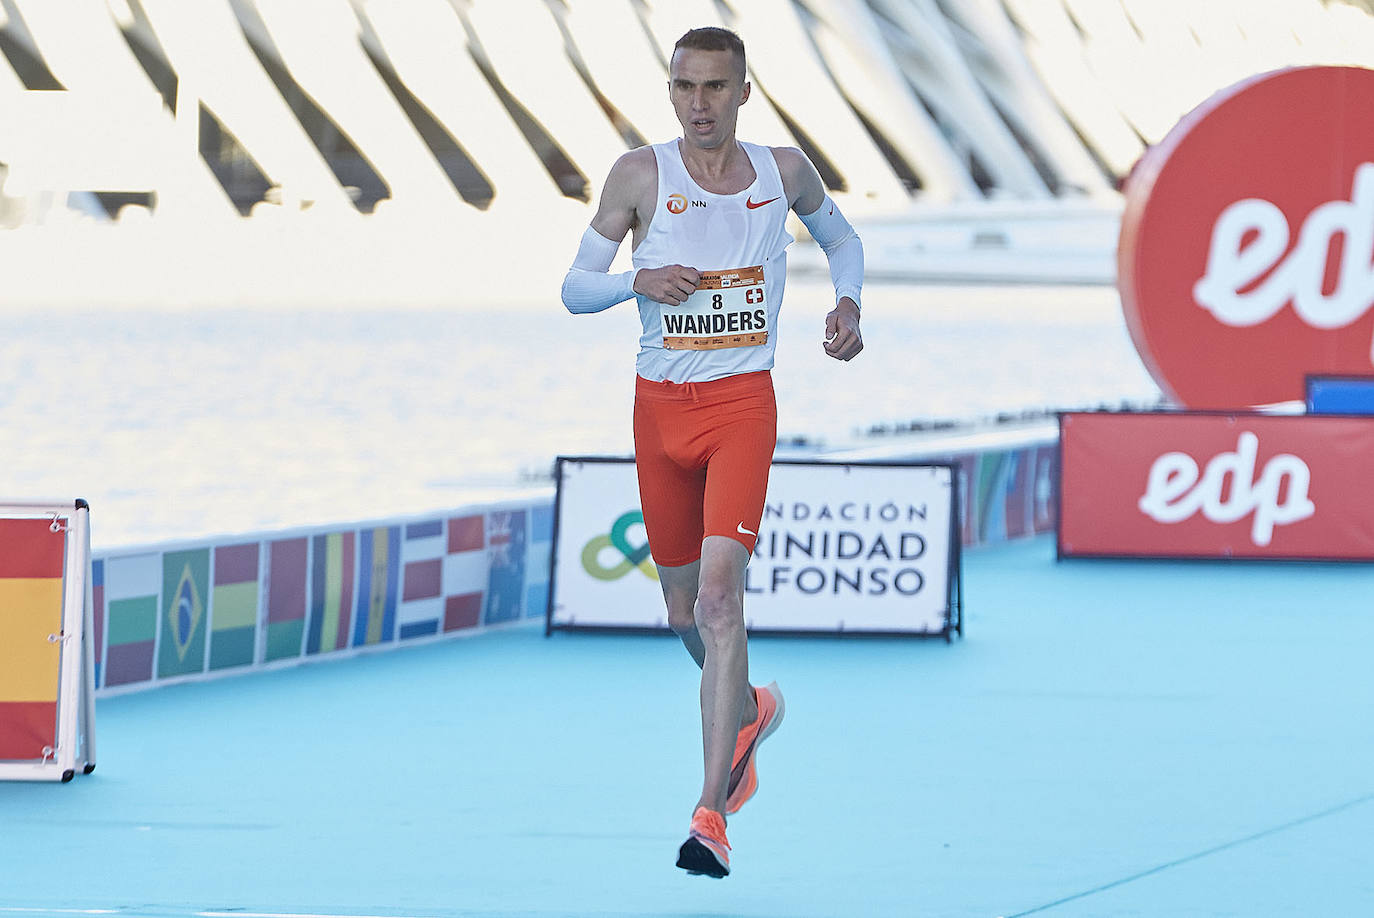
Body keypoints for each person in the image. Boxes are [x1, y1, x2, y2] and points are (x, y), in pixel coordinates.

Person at [560, 25, 863, 878]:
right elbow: (573, 287)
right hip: (659, 410)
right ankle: (752, 711)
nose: (701, 104)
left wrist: (849, 307)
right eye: (687, 88)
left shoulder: (784, 172)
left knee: (722, 603)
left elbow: (844, 241)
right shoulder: (637, 175)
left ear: (744, 91)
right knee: (685, 614)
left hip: (741, 406)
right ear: (671, 92)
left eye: (716, 88)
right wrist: (633, 282)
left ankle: (710, 817)